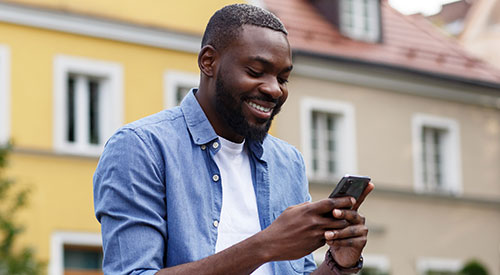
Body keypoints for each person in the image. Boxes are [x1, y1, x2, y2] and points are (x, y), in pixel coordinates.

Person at [93, 4, 374, 275]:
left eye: (283, 78)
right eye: (255, 72)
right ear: (208, 62)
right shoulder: (141, 148)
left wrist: (339, 264)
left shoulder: (287, 162)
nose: (275, 90)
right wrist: (266, 245)